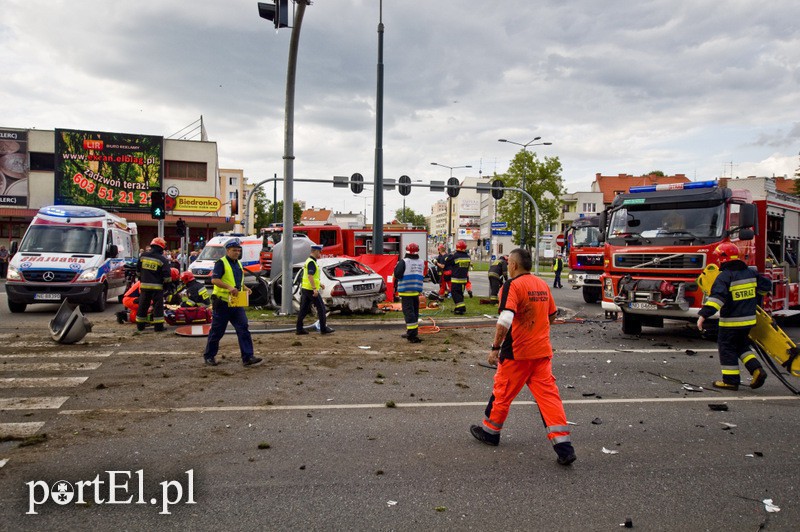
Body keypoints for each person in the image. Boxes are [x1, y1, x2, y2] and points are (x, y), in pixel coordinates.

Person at [470, 248, 576, 466]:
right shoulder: (541, 284)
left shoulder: (512, 285)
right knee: (549, 398)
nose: (507, 266)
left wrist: (495, 347)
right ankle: (564, 448)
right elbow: (552, 314)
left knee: (502, 392)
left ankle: (490, 433)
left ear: (514, 266)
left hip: (517, 353)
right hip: (541, 352)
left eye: (509, 263)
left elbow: (506, 318)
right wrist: (536, 332)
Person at [697, 242, 770, 390]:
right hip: (748, 321)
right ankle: (756, 370)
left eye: (718, 257)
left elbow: (717, 298)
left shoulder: (725, 276)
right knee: (741, 346)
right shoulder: (750, 272)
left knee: (727, 348)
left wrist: (703, 315)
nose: (717, 260)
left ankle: (730, 381)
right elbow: (766, 286)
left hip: (730, 322)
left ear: (724, 258)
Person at [202, 238, 262, 367]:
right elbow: (214, 280)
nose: (237, 253)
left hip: (235, 302)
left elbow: (237, 281)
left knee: (243, 328)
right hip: (222, 302)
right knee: (217, 331)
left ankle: (248, 357)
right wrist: (229, 288)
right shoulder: (221, 263)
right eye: (234, 250)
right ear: (227, 251)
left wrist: (244, 288)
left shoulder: (238, 264)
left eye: (239, 251)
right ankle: (209, 356)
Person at [296, 245, 334, 335]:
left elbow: (311, 276)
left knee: (304, 309)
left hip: (306, 288)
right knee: (321, 308)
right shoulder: (311, 262)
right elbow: (310, 276)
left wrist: (319, 284)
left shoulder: (309, 261)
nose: (320, 254)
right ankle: (323, 328)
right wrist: (314, 289)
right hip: (310, 290)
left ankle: (299, 328)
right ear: (315, 251)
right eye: (319, 252)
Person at [136, 237, 172, 332]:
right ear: (161, 248)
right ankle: (158, 327)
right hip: (157, 287)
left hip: (144, 286)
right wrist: (167, 287)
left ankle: (140, 326)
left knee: (143, 305)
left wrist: (142, 279)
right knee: (157, 307)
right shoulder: (162, 259)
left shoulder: (143, 256)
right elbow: (167, 276)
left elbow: (138, 271)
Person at [394, 242, 425, 343]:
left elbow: (398, 274)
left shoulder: (404, 261)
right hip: (416, 291)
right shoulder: (421, 262)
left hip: (406, 291)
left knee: (409, 313)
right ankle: (411, 332)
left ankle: (412, 335)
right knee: (414, 312)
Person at [449, 240, 470, 314]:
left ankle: (461, 308)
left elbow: (449, 263)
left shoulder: (455, 256)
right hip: (463, 279)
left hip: (456, 279)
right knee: (460, 294)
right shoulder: (468, 257)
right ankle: (458, 308)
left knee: (455, 293)